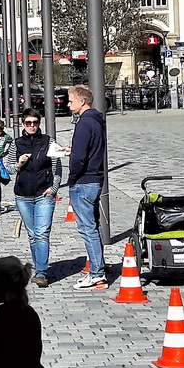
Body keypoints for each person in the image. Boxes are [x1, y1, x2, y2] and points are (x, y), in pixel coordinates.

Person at [65, 85, 108, 288]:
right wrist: (72, 151)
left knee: (87, 228)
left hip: (83, 181)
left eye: (71, 100)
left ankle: (97, 272)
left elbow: (80, 158)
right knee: (94, 227)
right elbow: (89, 150)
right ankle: (98, 267)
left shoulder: (84, 123)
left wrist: (72, 175)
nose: (68, 103)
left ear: (82, 101)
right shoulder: (97, 121)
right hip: (95, 179)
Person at [12, 112, 59, 286]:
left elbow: (57, 168)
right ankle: (39, 266)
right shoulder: (16, 143)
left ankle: (41, 272)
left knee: (42, 234)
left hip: (43, 194)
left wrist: (53, 188)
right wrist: (19, 164)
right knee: (32, 235)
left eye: (35, 122)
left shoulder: (49, 142)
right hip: (23, 196)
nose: (32, 126)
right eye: (28, 123)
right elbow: (9, 169)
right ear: (23, 124)